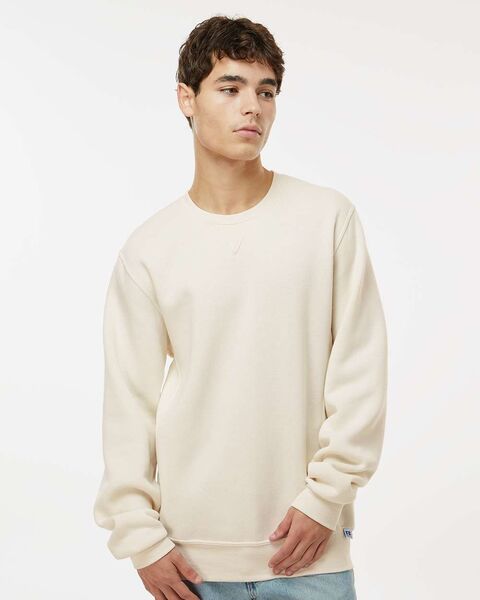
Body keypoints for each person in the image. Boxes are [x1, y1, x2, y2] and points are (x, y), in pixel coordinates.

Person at [93, 14, 388, 600]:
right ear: (187, 98)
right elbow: (129, 405)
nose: (252, 107)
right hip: (189, 564)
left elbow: (360, 368)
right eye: (230, 88)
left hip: (309, 557)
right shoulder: (149, 250)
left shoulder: (327, 219)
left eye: (266, 91)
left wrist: (326, 497)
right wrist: (141, 540)